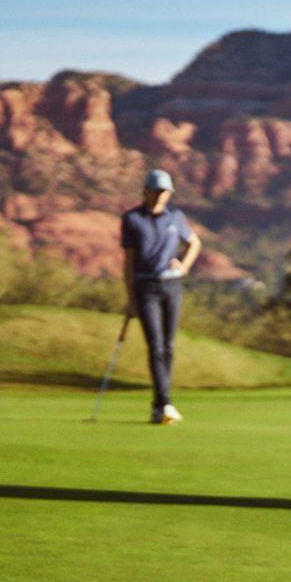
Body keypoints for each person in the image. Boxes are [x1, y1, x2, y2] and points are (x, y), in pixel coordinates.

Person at [120, 168, 201, 425]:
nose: (160, 196)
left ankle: (159, 405)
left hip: (172, 285)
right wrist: (131, 297)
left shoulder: (175, 217)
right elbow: (129, 262)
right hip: (146, 287)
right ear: (145, 191)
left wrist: (185, 267)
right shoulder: (132, 219)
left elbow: (194, 243)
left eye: (164, 192)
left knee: (168, 346)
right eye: (156, 191)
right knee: (155, 346)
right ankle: (165, 402)